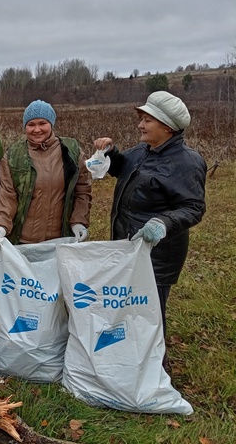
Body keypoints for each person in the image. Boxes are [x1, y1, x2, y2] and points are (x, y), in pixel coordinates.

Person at [93, 91, 206, 347]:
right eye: (141, 118)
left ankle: (157, 368)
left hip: (157, 254)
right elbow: (122, 168)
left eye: (147, 120)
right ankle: (129, 356)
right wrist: (109, 153)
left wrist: (163, 223)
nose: (140, 125)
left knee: (150, 314)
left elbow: (193, 207)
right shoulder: (143, 150)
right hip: (128, 246)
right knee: (129, 306)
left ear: (167, 127)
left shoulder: (187, 162)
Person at [0, 99, 92, 246]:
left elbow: (82, 191)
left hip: (61, 240)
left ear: (51, 123)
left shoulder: (71, 151)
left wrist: (79, 221)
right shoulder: (14, 155)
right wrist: (1, 225)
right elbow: (7, 194)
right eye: (31, 124)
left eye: (42, 123)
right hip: (22, 241)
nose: (37, 129)